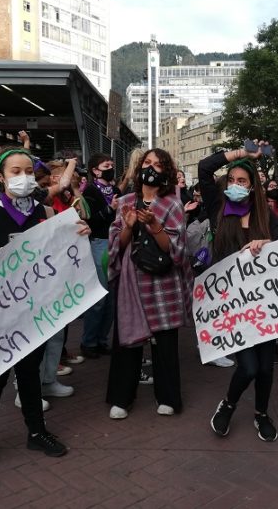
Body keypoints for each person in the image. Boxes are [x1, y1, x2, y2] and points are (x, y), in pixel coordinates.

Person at [0, 149, 90, 476]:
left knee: (30, 373)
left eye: (29, 170)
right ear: (1, 177)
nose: (24, 177)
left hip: (34, 310)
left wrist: (80, 233)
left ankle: (36, 432)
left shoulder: (45, 212)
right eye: (15, 171)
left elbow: (60, 252)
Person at [200, 143, 278, 442]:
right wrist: (239, 155)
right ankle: (229, 404)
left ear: (252, 187)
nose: (235, 186)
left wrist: (265, 243)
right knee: (247, 366)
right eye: (232, 180)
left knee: (265, 367)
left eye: (242, 181)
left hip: (263, 301)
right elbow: (204, 168)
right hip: (232, 302)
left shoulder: (266, 217)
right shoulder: (217, 208)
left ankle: (261, 414)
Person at [106, 149, 191, 420]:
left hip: (162, 282)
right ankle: (122, 397)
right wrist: (129, 226)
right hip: (132, 283)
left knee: (165, 342)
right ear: (138, 167)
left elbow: (176, 249)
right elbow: (116, 245)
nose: (151, 168)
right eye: (147, 163)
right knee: (126, 342)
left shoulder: (172, 204)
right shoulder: (126, 202)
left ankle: (167, 397)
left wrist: (154, 224)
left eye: (158, 164)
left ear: (166, 172)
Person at [81, 153, 120, 358]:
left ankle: (102, 340)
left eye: (112, 165)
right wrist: (109, 209)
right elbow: (90, 221)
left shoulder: (116, 190)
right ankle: (89, 342)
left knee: (112, 298)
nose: (110, 167)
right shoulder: (89, 191)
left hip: (116, 243)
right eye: (106, 165)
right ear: (96, 170)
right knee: (100, 297)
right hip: (99, 243)